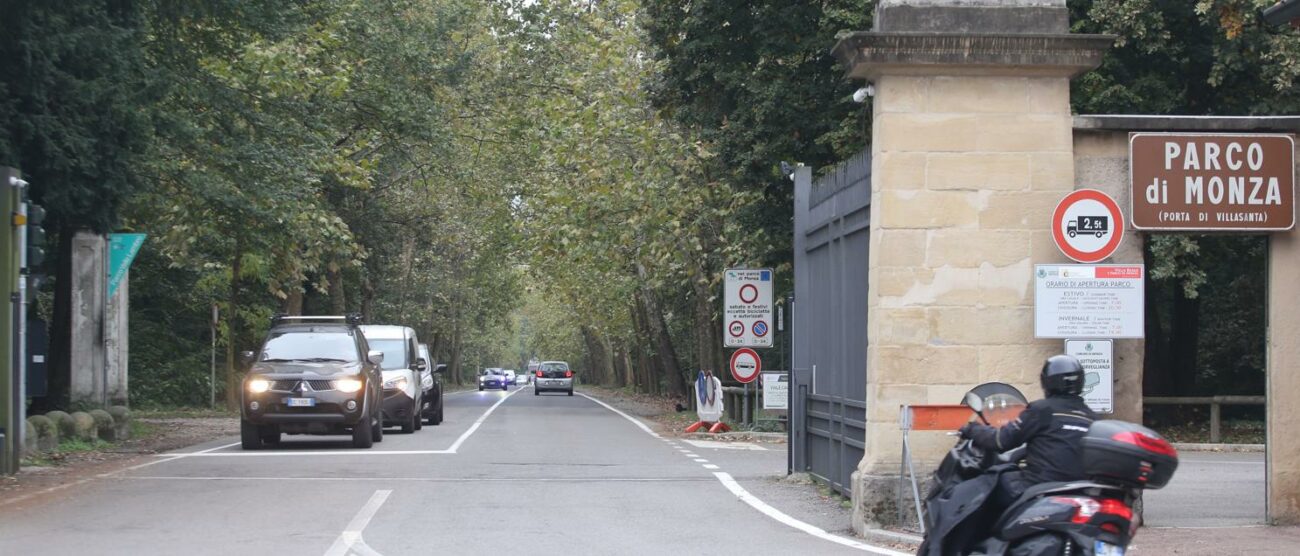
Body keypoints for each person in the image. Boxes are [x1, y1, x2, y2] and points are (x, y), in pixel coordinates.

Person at [959, 354, 1098, 510]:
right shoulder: (1092, 418)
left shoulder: (1043, 409)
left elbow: (1001, 440)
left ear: (1047, 381)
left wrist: (972, 429)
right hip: (1080, 492)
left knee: (986, 486)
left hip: (1040, 486)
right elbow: (1061, 443)